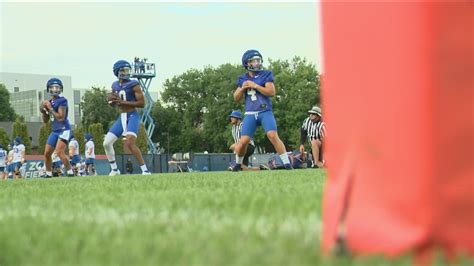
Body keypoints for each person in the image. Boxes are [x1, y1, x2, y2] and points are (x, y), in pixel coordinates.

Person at [231, 49, 292, 171]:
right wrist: (243, 88)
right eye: (254, 61)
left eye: (259, 60)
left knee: (272, 135)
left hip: (265, 111)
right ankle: (238, 164)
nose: (257, 63)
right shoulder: (243, 78)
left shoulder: (266, 74)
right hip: (250, 113)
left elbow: (272, 92)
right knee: (243, 141)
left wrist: (255, 86)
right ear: (247, 63)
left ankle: (287, 164)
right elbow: (236, 98)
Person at [104, 60, 151, 175]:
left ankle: (145, 170)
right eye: (124, 70)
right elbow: (116, 103)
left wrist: (123, 102)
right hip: (121, 117)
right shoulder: (114, 85)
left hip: (132, 116)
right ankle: (114, 169)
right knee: (106, 143)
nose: (126, 72)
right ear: (117, 72)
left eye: (127, 70)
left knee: (130, 143)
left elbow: (141, 103)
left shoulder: (134, 84)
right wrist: (111, 102)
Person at [40, 77, 74, 178]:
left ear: (60, 89)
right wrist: (43, 111)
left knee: (59, 152)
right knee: (47, 153)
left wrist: (49, 108)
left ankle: (70, 172)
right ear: (48, 89)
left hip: (64, 129)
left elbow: (60, 117)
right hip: (55, 130)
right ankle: (48, 173)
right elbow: (45, 121)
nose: (55, 89)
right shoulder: (50, 102)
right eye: (52, 87)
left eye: (57, 87)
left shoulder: (62, 100)